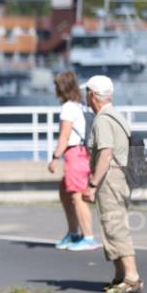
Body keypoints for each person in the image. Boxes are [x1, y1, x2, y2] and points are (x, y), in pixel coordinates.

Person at [81, 75, 142, 293]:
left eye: (86, 93)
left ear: (92, 95)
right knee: (110, 225)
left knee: (115, 225)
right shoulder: (117, 116)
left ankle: (132, 277)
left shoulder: (103, 120)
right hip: (121, 177)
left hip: (110, 178)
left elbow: (105, 154)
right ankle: (120, 276)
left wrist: (93, 184)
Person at [47, 71, 99, 251]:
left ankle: (89, 237)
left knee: (77, 196)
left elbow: (64, 136)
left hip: (75, 154)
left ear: (61, 88)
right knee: (65, 191)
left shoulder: (68, 108)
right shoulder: (82, 106)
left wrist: (55, 158)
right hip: (85, 153)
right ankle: (73, 233)